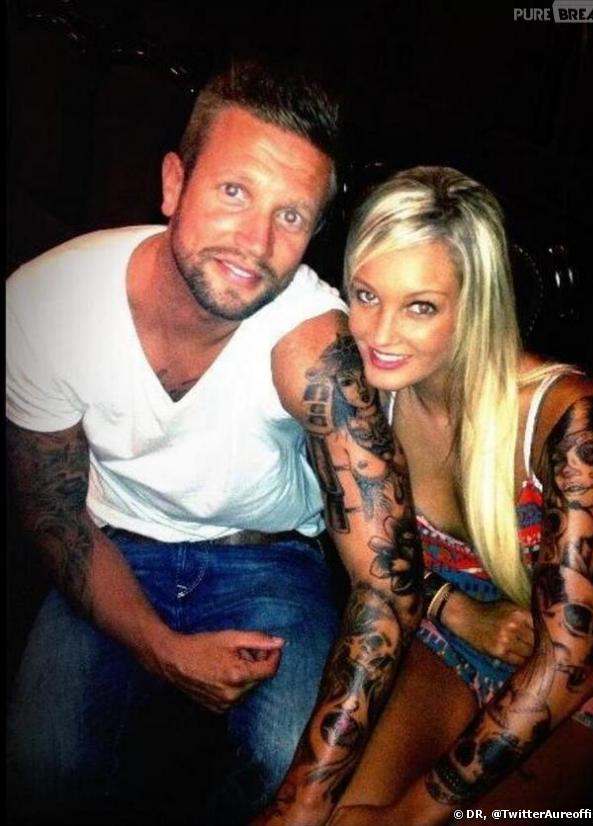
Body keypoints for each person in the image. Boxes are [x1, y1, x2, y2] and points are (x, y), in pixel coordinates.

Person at [6, 63, 421, 825]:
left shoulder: (311, 348)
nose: (255, 242)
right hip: (114, 546)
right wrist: (160, 647)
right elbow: (55, 516)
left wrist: (302, 803)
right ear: (174, 184)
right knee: (39, 767)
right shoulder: (45, 305)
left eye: (290, 215)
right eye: (234, 191)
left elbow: (385, 577)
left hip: (269, 561)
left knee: (285, 759)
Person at [329, 167, 593, 825]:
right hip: (445, 638)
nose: (380, 333)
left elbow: (568, 665)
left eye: (420, 306)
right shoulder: (369, 392)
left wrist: (410, 815)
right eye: (366, 294)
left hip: (582, 664)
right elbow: (365, 555)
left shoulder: (562, 415)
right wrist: (452, 608)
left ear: (474, 305)